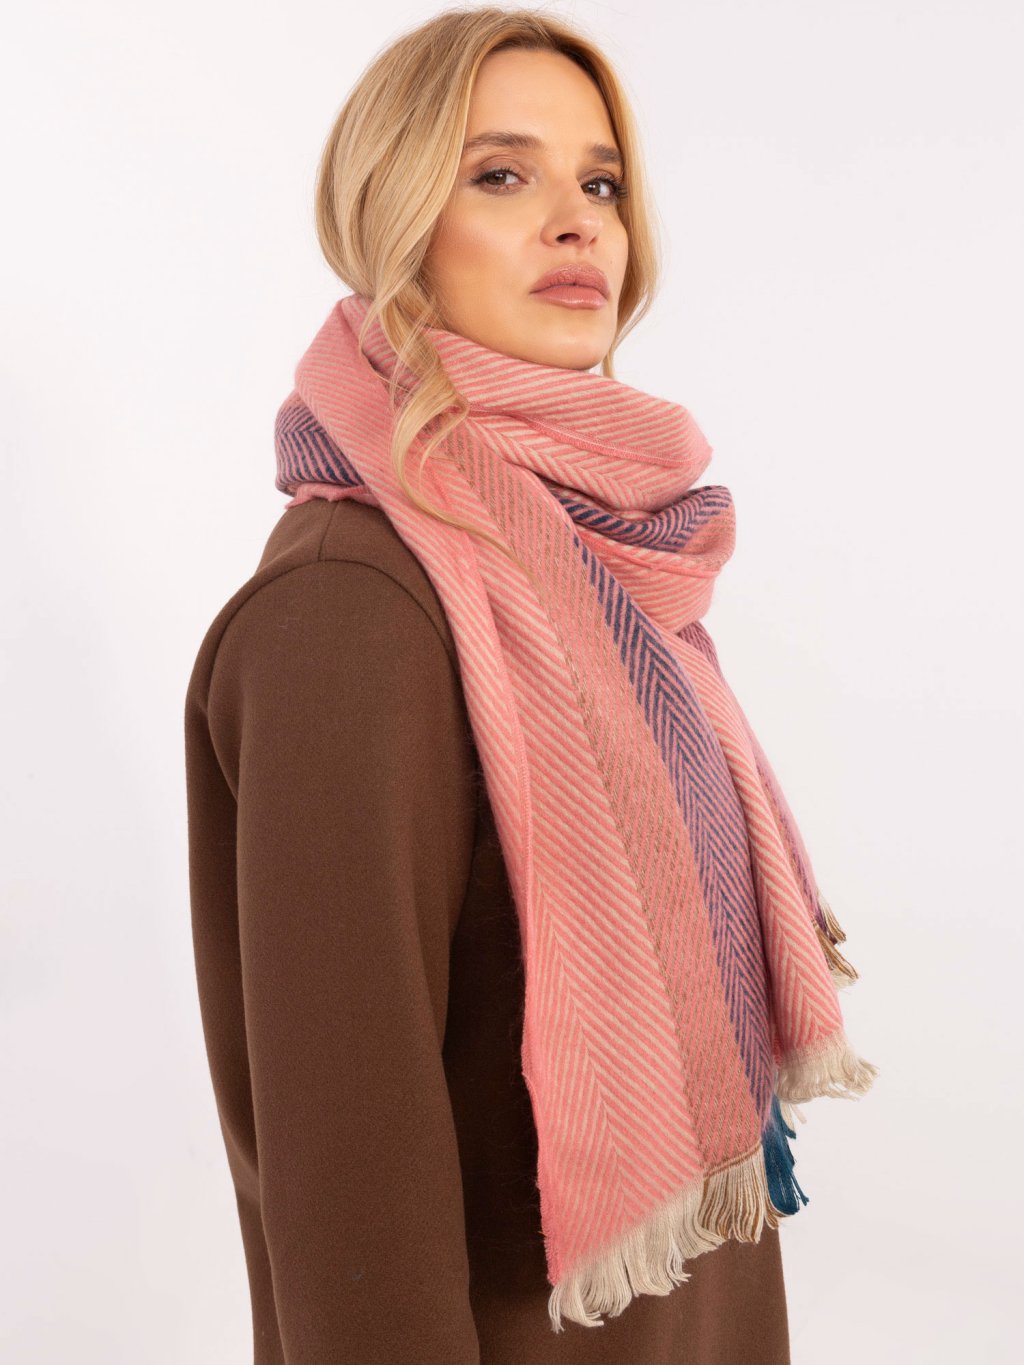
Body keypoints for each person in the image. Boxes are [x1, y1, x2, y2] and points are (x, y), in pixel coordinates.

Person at [184, 6, 876, 1362]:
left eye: (601, 183)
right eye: (501, 175)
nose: (577, 223)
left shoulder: (601, 574)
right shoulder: (350, 612)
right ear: (396, 222)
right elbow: (346, 1179)